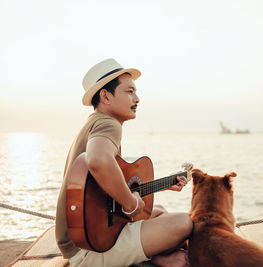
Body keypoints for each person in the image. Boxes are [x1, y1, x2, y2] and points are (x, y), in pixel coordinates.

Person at [55, 58, 193, 267]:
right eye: (129, 91)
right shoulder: (109, 124)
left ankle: (154, 257)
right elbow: (98, 161)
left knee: (159, 211)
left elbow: (102, 189)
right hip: (90, 249)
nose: (137, 98)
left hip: (83, 238)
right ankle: (156, 260)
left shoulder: (94, 123)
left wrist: (162, 185)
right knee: (184, 222)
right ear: (105, 96)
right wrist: (130, 204)